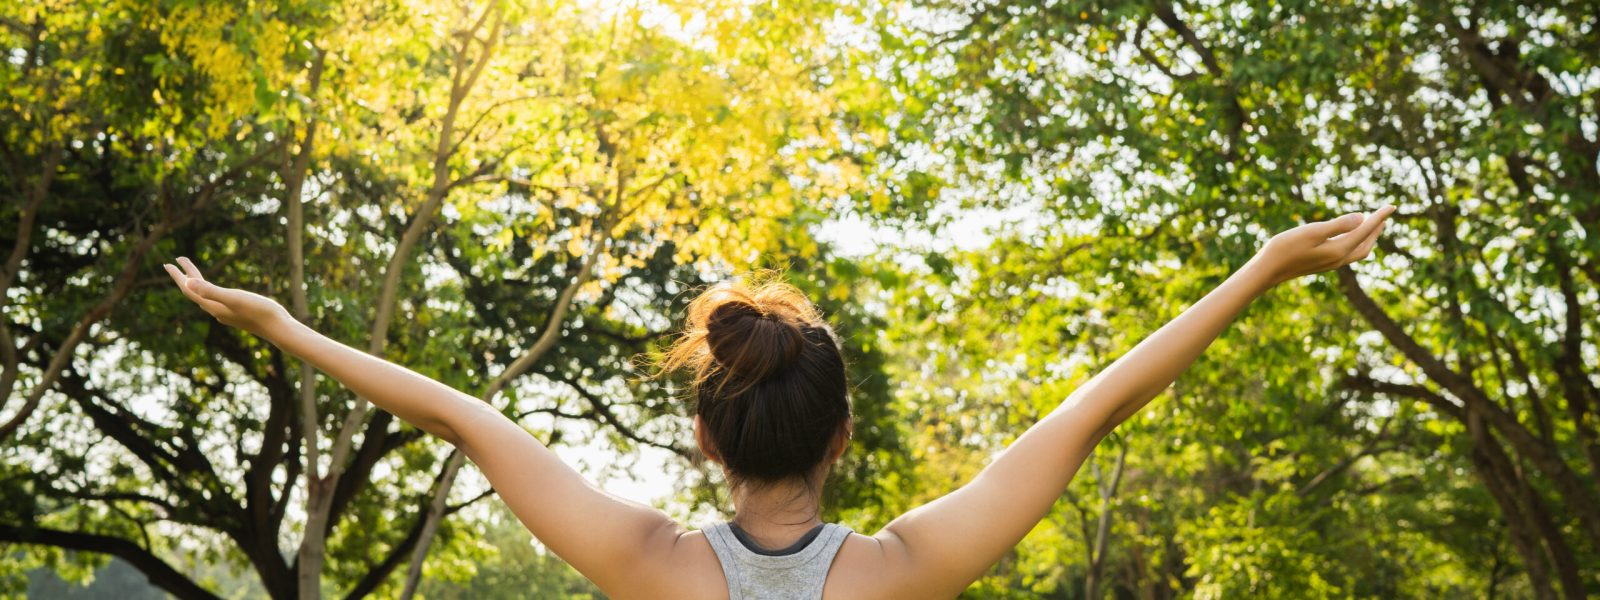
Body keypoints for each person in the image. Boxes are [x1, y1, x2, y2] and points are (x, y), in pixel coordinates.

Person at [164, 206, 1394, 599]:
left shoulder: (647, 562)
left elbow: (465, 419)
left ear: (702, 437)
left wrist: (286, 326)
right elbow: (1092, 409)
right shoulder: (903, 568)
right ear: (843, 438)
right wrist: (1263, 265)